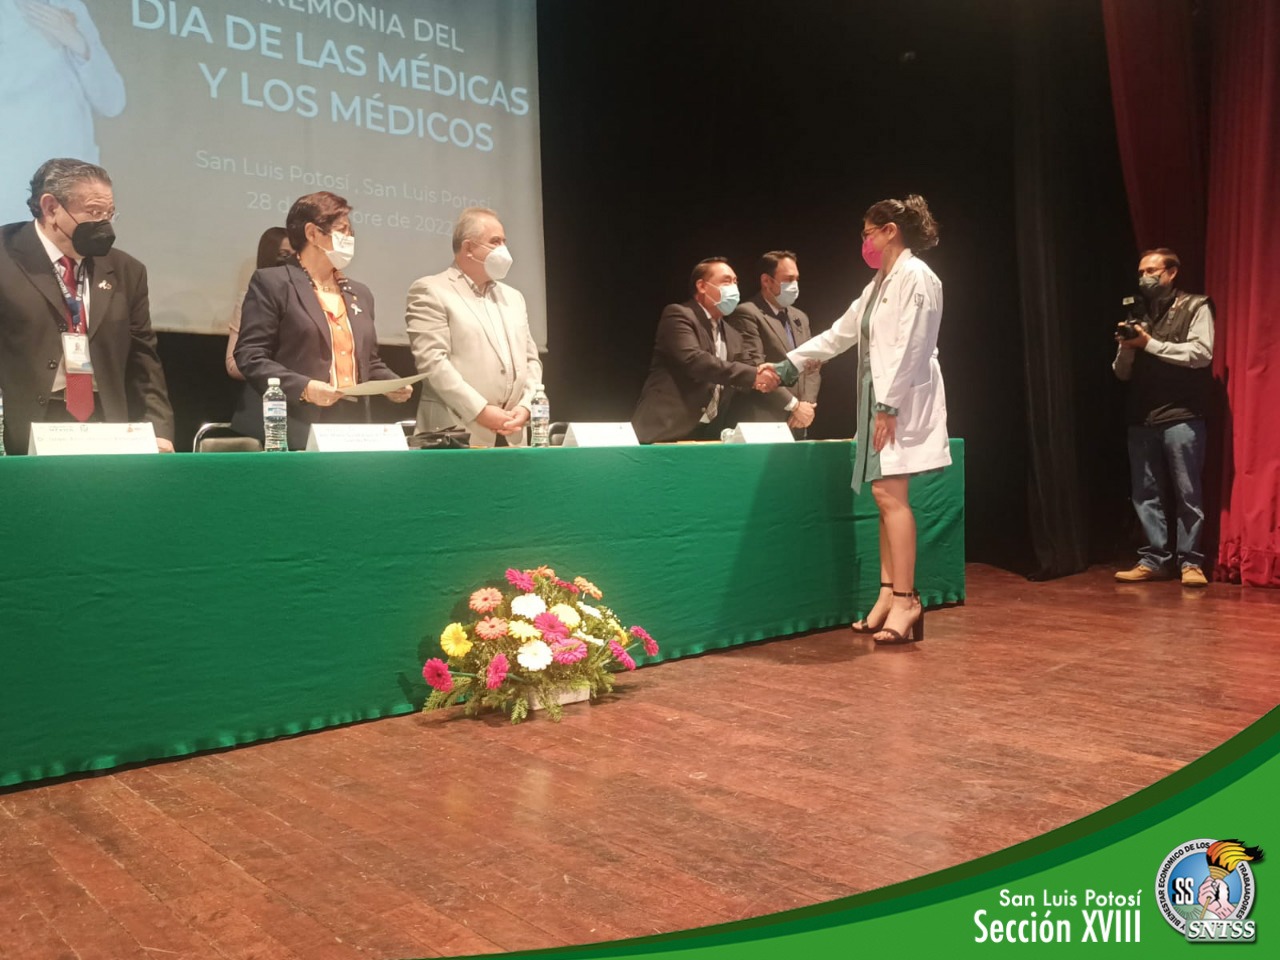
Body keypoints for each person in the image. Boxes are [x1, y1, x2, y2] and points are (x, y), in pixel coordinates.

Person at [774, 195, 949, 644]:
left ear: (891, 231)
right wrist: (790, 364)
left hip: (897, 399)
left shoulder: (918, 277)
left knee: (890, 494)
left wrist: (889, 406)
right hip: (876, 398)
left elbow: (913, 345)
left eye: (869, 232)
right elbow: (840, 333)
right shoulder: (877, 285)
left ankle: (908, 599)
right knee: (882, 495)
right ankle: (888, 593)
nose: (864, 241)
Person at [0, 157, 174, 454]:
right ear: (51, 208)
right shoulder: (5, 256)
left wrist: (158, 430)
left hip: (105, 425)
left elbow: (144, 361)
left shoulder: (127, 271)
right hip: (22, 425)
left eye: (109, 214)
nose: (103, 224)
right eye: (94, 212)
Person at [231, 191, 412, 448]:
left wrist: (390, 382)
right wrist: (305, 388)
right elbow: (250, 355)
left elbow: (368, 362)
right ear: (312, 233)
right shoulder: (274, 283)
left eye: (351, 232)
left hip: (351, 424)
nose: (350, 238)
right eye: (342, 230)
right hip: (292, 424)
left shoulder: (359, 293)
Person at [1112, 248, 1214, 587]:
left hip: (1182, 414)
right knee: (1145, 493)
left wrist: (1150, 344)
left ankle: (1190, 562)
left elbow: (1201, 353)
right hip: (1142, 416)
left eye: (1152, 271)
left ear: (1171, 273)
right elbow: (1122, 373)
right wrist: (1127, 347)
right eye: (1141, 272)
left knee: (1188, 493)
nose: (1145, 278)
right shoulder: (1138, 312)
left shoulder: (1196, 306)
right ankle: (1154, 559)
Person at [404, 207, 542, 447]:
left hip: (513, 433)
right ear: (468, 248)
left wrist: (525, 406)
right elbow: (432, 363)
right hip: (456, 434)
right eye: (495, 242)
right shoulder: (431, 290)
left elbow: (531, 360)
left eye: (504, 241)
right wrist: (480, 410)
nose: (504, 249)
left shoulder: (514, 297)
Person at [0, 0, 126, 222]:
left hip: (74, 189)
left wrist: (77, 42)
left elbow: (112, 102)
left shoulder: (69, 7)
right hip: (13, 186)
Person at [632, 257, 781, 443]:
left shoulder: (733, 334)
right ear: (702, 286)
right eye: (726, 281)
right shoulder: (678, 315)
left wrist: (774, 372)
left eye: (735, 282)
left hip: (708, 432)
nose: (734, 288)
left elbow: (747, 369)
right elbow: (695, 361)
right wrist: (754, 375)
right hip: (665, 428)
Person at [728, 250, 820, 435]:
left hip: (799, 420)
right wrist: (794, 405)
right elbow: (756, 368)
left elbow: (813, 364)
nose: (794, 285)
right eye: (788, 279)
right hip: (763, 418)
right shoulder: (747, 313)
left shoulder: (800, 317)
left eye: (796, 279)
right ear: (766, 281)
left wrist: (807, 405)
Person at [226, 227, 292, 380]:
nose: (291, 262)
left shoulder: (314, 298)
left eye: (297, 255)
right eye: (284, 255)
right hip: (267, 387)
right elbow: (233, 364)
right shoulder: (249, 299)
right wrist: (274, 370)